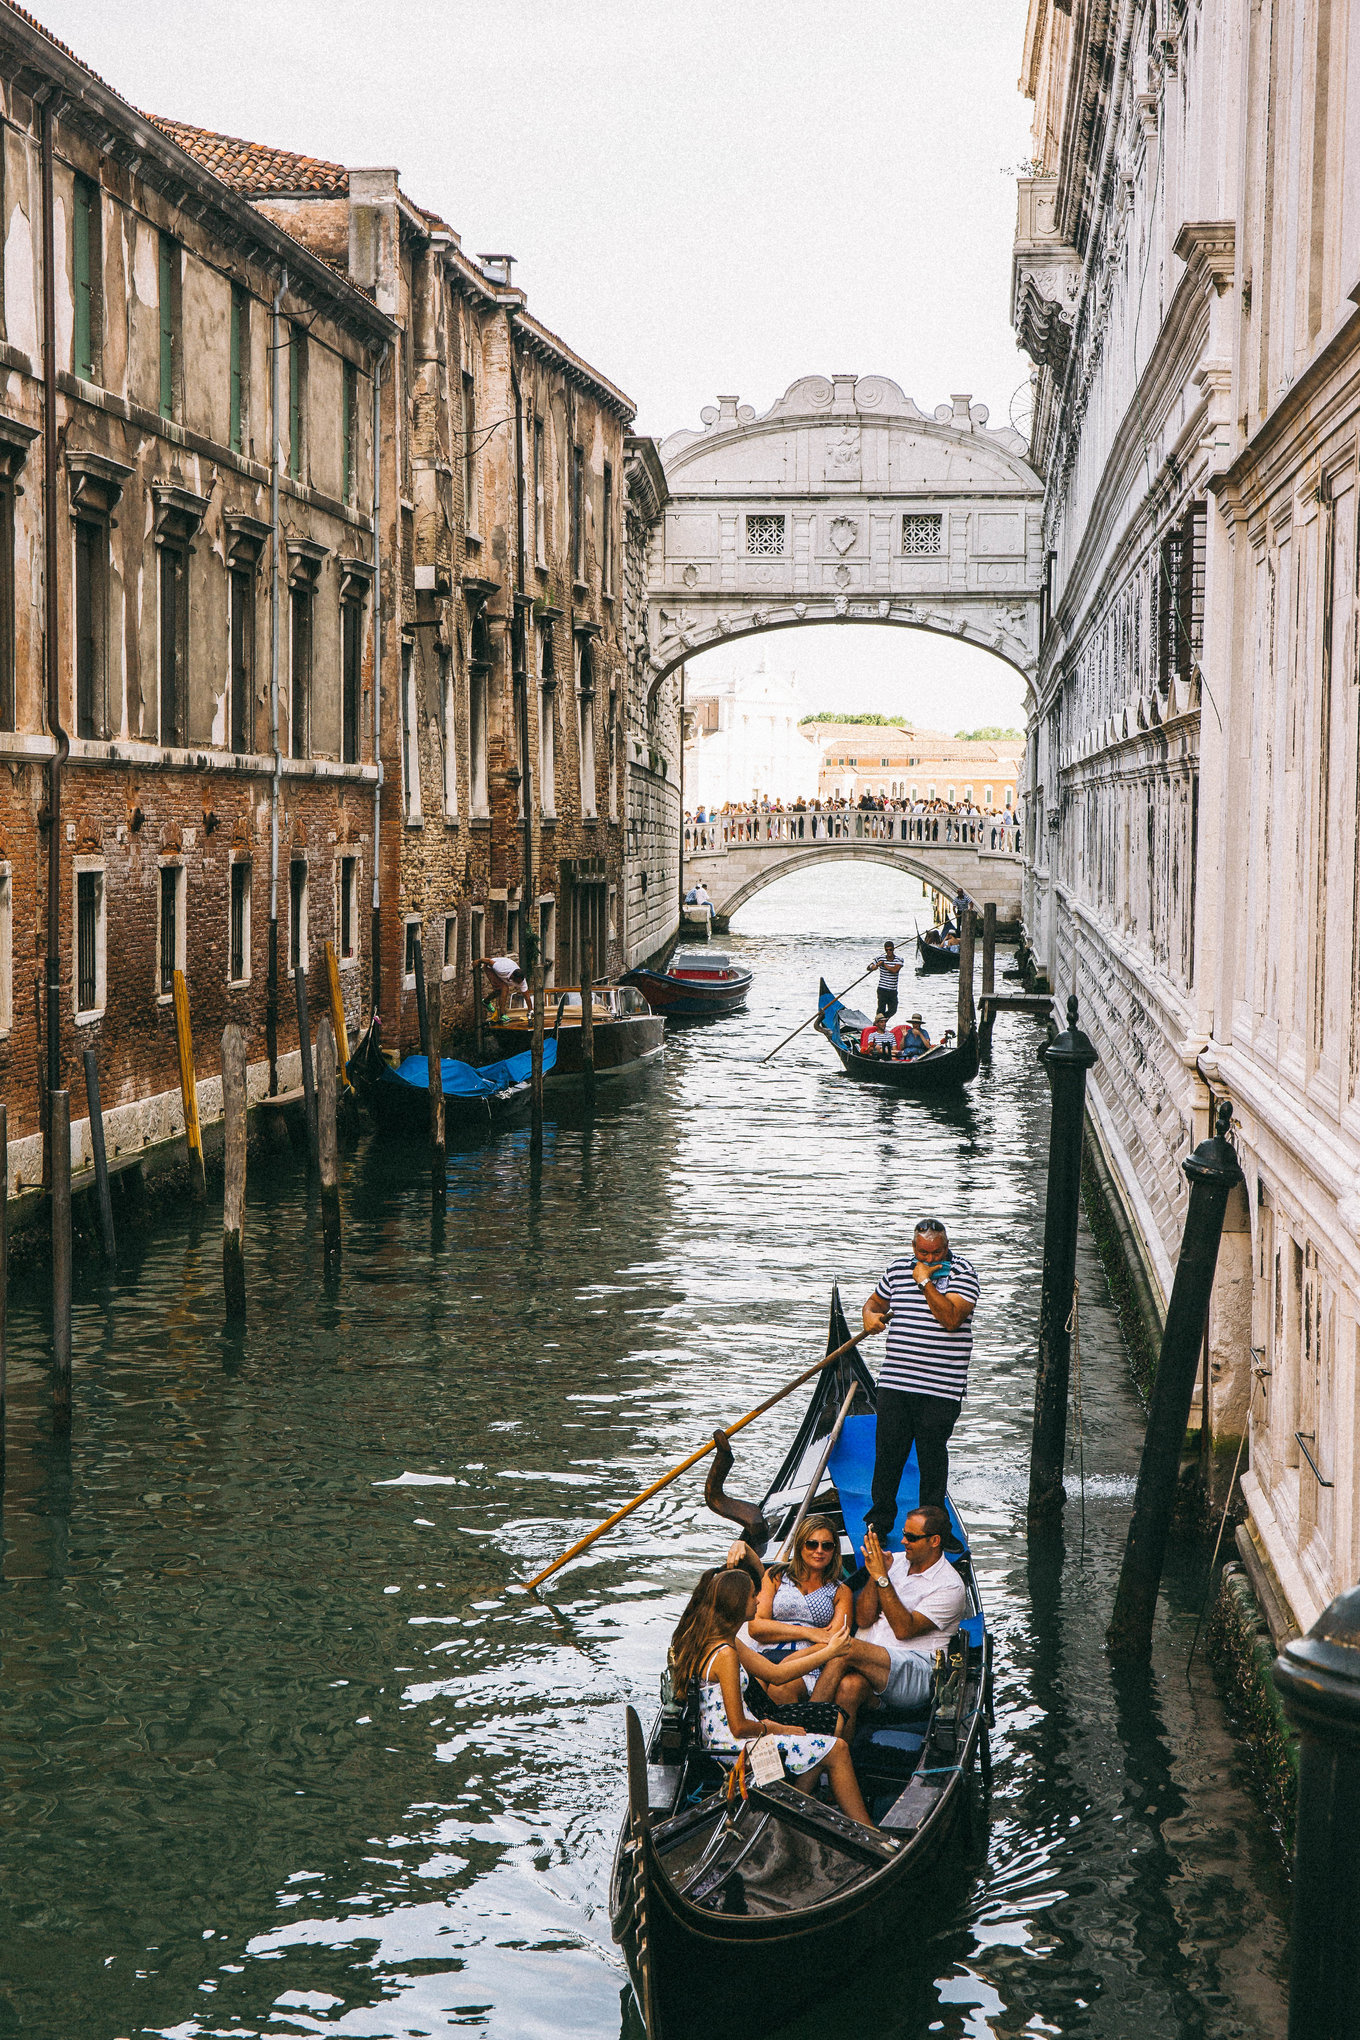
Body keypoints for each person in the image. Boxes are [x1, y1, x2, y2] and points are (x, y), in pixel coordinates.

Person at [671, 1568, 872, 1825]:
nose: (757, 1600)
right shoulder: (726, 1654)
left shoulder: (720, 1641)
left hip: (726, 1742)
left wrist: (830, 1652)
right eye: (752, 1596)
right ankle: (866, 1830)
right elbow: (739, 1727)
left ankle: (789, 1810)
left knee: (825, 1747)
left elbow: (776, 1674)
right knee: (838, 1748)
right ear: (736, 1603)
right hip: (734, 1750)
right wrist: (780, 1728)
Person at [862, 1218, 979, 1534]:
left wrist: (924, 1282)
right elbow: (875, 1302)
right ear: (913, 1247)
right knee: (888, 1457)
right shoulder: (897, 1269)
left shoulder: (963, 1273)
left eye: (936, 1252)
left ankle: (934, 1528)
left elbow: (951, 1319)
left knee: (932, 1461)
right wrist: (869, 1316)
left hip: (941, 1388)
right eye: (923, 1253)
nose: (929, 1258)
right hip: (895, 1382)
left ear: (946, 1246)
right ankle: (879, 1522)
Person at [810, 1508, 966, 1741]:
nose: (903, 1541)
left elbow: (904, 1630)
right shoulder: (897, 1562)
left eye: (911, 1537)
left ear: (934, 1541)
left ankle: (806, 1725)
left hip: (917, 1671)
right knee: (850, 1687)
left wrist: (882, 1577)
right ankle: (832, 1755)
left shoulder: (950, 1586)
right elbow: (864, 1619)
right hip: (872, 1663)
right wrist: (875, 1577)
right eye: (904, 1533)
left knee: (844, 1649)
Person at [748, 1515, 853, 1705]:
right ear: (800, 1546)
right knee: (751, 1690)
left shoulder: (841, 1591)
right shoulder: (776, 1576)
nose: (819, 1551)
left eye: (827, 1546)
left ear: (834, 1550)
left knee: (781, 1688)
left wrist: (789, 1662)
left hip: (808, 1663)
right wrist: (810, 1632)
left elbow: (835, 1642)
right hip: (765, 1656)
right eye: (812, 1544)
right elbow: (756, 1627)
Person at [478, 954, 530, 1019]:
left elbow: (527, 996)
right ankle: (502, 1015)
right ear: (513, 977)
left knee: (499, 990)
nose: (519, 983)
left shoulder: (522, 981)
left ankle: (486, 1001)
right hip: (489, 967)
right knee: (504, 988)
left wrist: (530, 1010)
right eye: (517, 982)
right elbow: (489, 961)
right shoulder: (501, 969)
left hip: (504, 970)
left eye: (520, 982)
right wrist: (478, 961)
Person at [868, 938, 903, 1022]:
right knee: (881, 1009)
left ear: (893, 949)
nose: (888, 952)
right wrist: (874, 967)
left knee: (893, 1010)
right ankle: (879, 1023)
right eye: (887, 950)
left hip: (892, 990)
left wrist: (884, 964)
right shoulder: (880, 958)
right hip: (882, 989)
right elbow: (869, 967)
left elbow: (894, 970)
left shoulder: (899, 959)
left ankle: (880, 1022)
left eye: (890, 950)